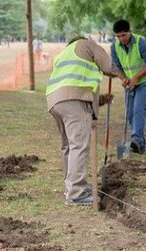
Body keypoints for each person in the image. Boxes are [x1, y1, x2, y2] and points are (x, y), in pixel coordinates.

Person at [46, 36, 124, 206]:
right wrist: (122, 76)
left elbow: (77, 87)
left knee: (68, 146)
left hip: (55, 101)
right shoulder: (87, 44)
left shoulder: (64, 54)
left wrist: (102, 100)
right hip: (72, 101)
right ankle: (77, 193)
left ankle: (71, 188)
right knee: (79, 145)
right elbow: (108, 66)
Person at [110, 19, 146, 154]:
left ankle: (136, 140)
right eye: (118, 36)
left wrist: (136, 78)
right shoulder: (114, 47)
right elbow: (117, 67)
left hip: (145, 81)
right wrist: (123, 78)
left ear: (130, 32)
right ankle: (138, 145)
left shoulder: (141, 43)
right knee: (130, 112)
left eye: (123, 35)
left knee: (138, 108)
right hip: (130, 83)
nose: (121, 38)